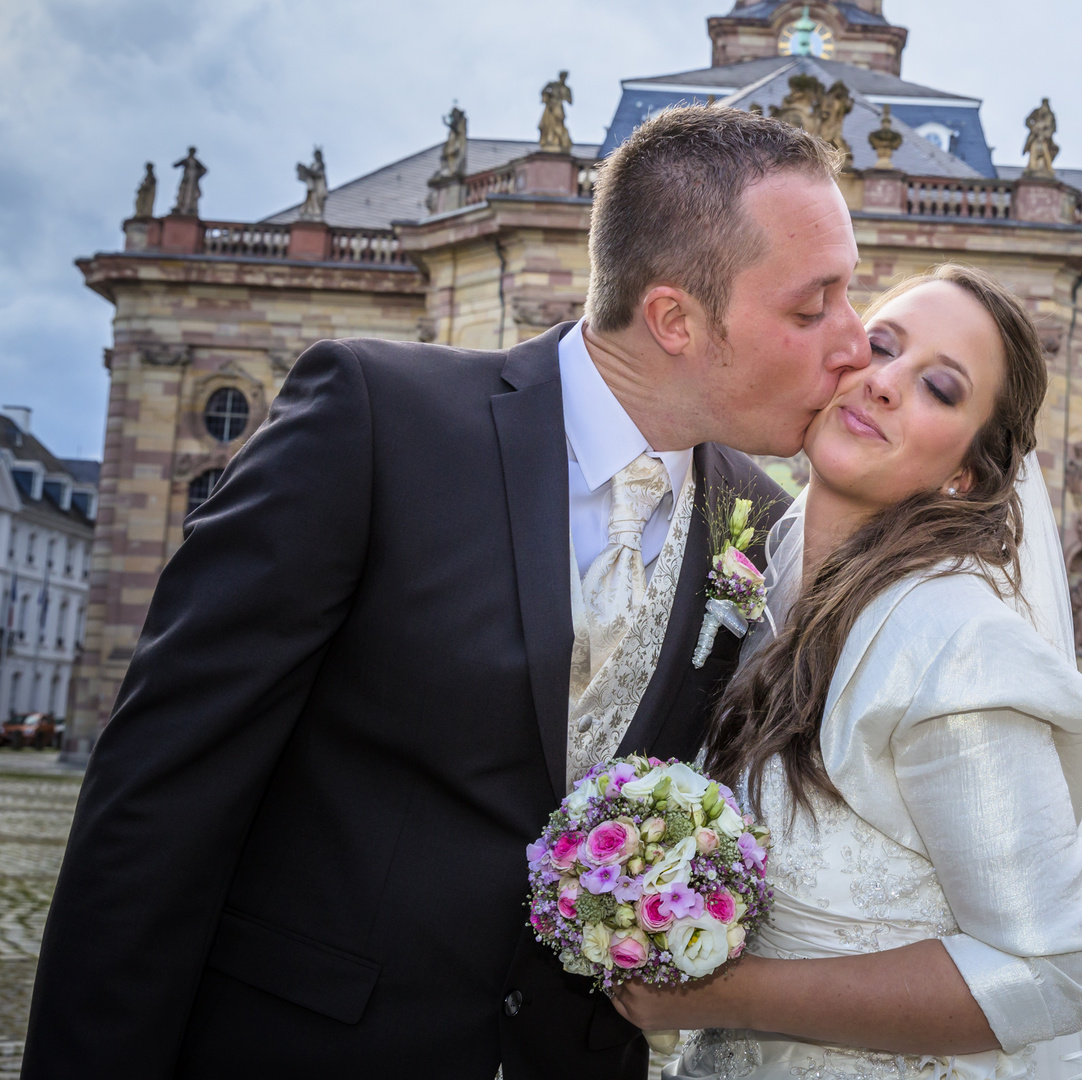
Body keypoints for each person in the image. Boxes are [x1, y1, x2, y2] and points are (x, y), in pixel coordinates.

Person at [24, 107, 868, 1080]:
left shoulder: (763, 526)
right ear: (676, 318)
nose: (856, 343)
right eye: (814, 308)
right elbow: (159, 801)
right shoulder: (380, 423)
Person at [613, 265, 1082, 1080]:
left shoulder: (958, 641)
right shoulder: (761, 573)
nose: (883, 383)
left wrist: (724, 994)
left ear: (969, 474)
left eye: (940, 389)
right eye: (880, 346)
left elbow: (1050, 978)